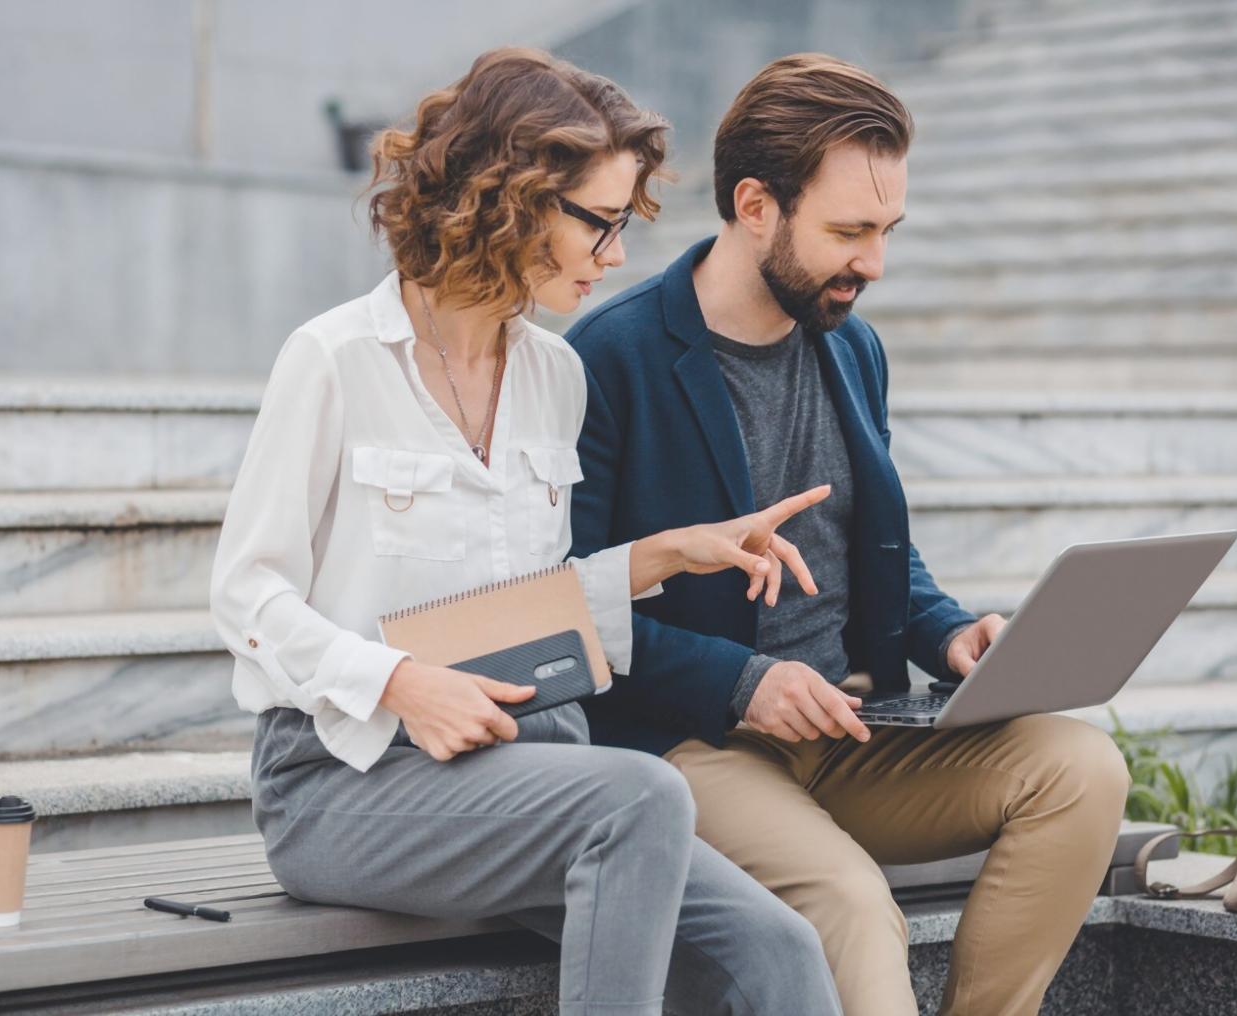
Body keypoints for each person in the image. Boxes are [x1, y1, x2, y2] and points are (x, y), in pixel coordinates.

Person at [209, 47, 843, 1016]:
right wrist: (401, 683)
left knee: (781, 949)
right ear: (511, 200)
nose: (618, 255)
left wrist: (665, 555)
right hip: (342, 782)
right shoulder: (334, 360)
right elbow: (245, 596)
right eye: (600, 221)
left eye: (625, 224)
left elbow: (519, 616)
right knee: (640, 797)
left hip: (517, 769)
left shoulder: (555, 376)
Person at [567, 53, 1132, 1016]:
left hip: (856, 730)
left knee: (1082, 771)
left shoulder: (850, 344)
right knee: (855, 905)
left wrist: (953, 634)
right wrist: (745, 682)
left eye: (887, 231)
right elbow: (565, 604)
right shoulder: (610, 356)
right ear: (755, 205)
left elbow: (870, 548)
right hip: (692, 745)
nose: (875, 263)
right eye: (850, 232)